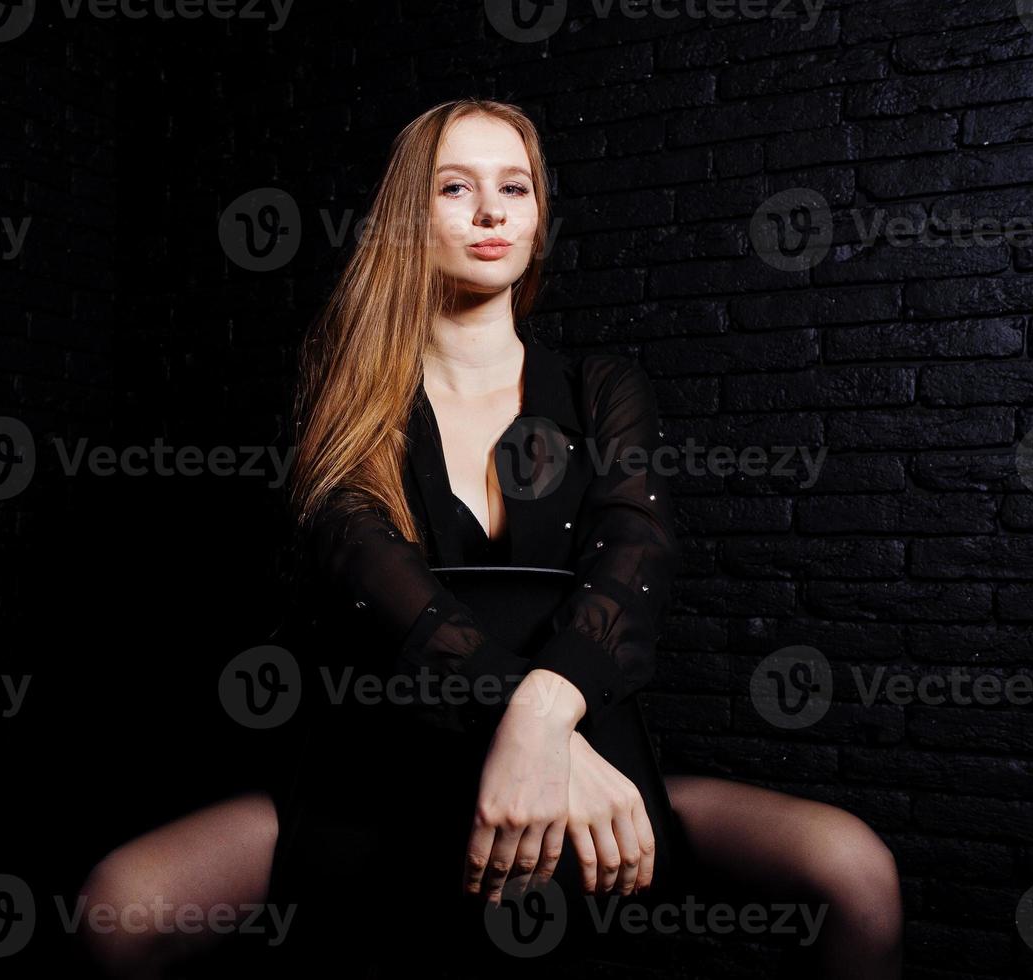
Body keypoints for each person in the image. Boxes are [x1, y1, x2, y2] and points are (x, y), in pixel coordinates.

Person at [76, 98, 903, 979]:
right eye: (454, 187)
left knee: (851, 869)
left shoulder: (600, 388)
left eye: (514, 187)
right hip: (387, 770)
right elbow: (374, 579)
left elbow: (635, 561)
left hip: (589, 749)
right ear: (408, 216)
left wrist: (549, 721)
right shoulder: (355, 401)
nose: (490, 212)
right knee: (116, 907)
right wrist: (530, 730)